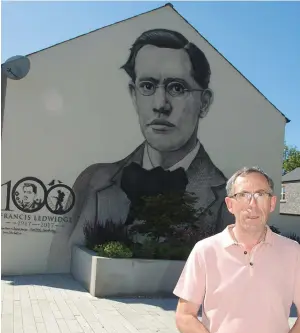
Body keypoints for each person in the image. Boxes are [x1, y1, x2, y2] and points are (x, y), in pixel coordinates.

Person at [47, 28, 233, 272]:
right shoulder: (93, 180)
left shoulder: (228, 198)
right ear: (134, 96)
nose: (160, 105)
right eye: (147, 86)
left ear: (204, 103)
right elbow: (58, 268)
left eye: (177, 88)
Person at [173, 166, 300, 333]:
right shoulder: (205, 250)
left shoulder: (293, 252)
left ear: (272, 203)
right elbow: (184, 316)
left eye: (261, 194)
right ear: (230, 204)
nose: (252, 204)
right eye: (243, 195)